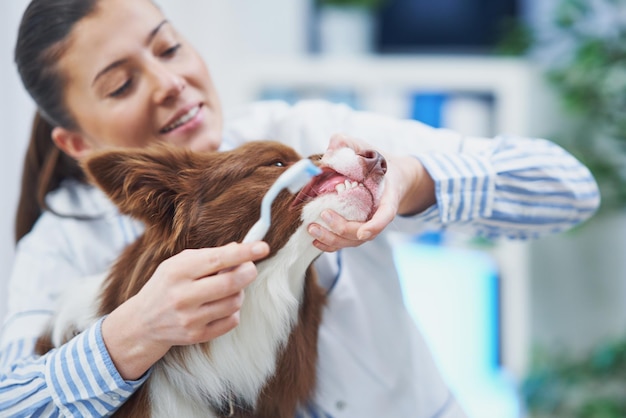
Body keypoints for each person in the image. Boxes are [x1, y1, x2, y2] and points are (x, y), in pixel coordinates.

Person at [0, 0, 600, 417]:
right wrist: (129, 336)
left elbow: (571, 188)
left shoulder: (312, 137)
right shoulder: (66, 245)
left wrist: (416, 182)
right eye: (121, 84)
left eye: (170, 48)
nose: (170, 83)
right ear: (78, 144)